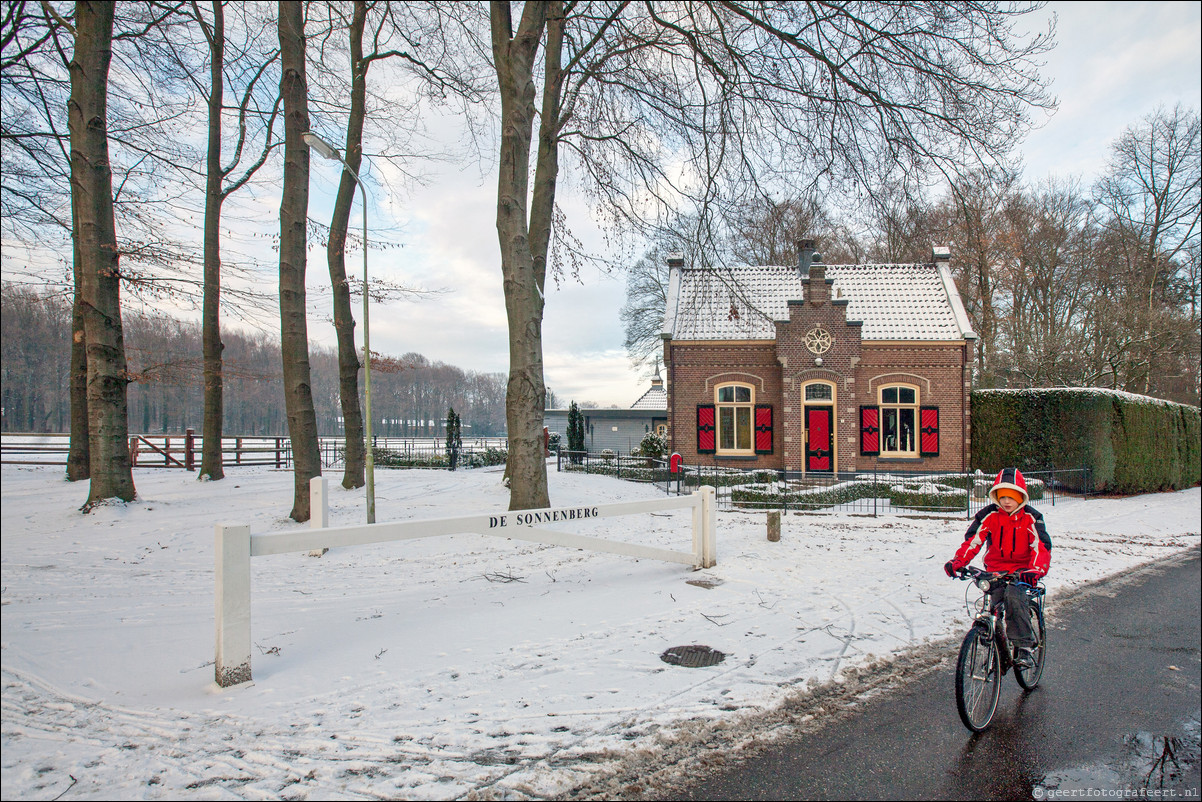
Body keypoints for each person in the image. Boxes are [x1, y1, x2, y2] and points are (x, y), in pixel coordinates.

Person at [944, 468, 1052, 668]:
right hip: (996, 570)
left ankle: (1024, 647)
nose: (1007, 502)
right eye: (1002, 496)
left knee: (1013, 596)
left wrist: (1036, 569)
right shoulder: (989, 515)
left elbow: (1041, 547)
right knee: (994, 603)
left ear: (1021, 496)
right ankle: (997, 647)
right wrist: (958, 562)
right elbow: (973, 542)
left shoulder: (1031, 518)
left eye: (1012, 496)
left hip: (1022, 571)